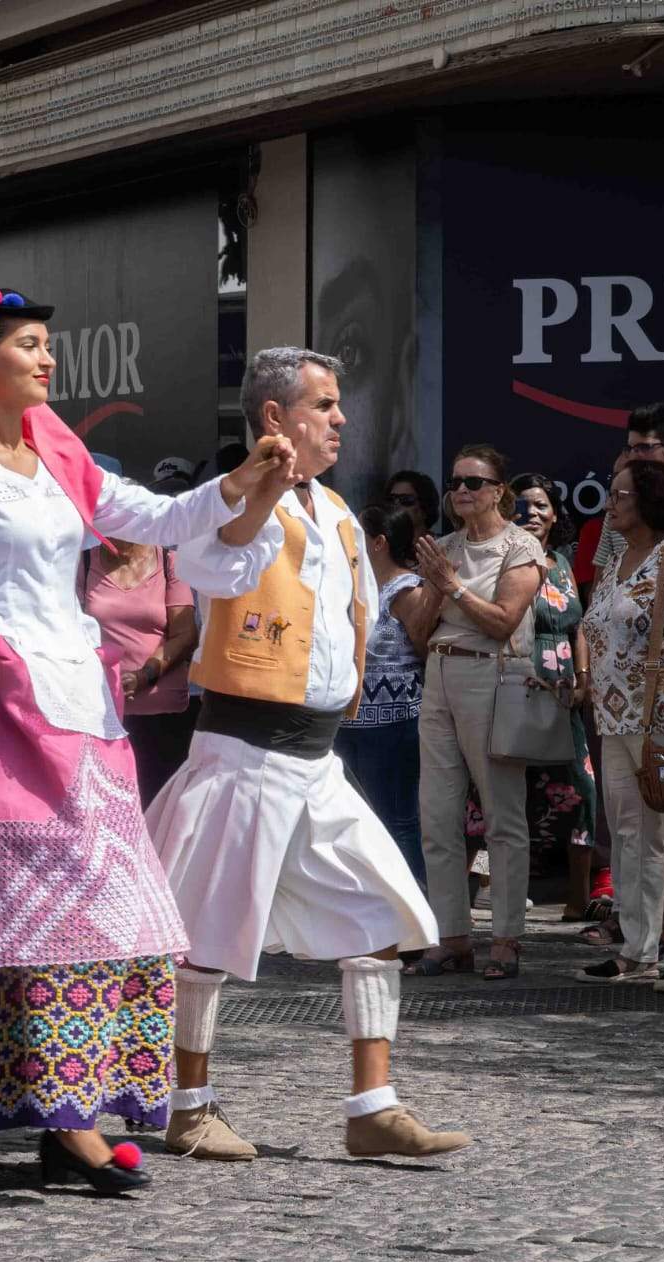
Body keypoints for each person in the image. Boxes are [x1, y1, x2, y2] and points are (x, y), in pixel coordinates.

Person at [0, 291, 300, 1192]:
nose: (49, 360)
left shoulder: (60, 456)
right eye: (31, 345)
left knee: (101, 905)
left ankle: (72, 1114)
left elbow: (153, 520)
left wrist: (242, 482)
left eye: (50, 346)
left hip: (79, 713)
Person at [148, 346, 462, 1164]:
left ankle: (373, 1105)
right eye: (324, 404)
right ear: (275, 418)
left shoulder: (339, 515)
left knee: (384, 914)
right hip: (245, 752)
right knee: (205, 937)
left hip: (318, 759)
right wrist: (258, 485)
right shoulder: (229, 504)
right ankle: (190, 1105)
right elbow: (213, 562)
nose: (341, 418)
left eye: (339, 403)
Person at [402, 445, 542, 981]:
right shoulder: (441, 546)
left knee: (502, 816)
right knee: (437, 815)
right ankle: (451, 939)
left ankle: (506, 939)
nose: (462, 490)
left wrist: (451, 585)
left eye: (475, 482)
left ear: (499, 490)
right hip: (438, 673)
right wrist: (437, 590)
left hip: (491, 674)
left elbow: (505, 621)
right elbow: (417, 633)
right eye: (456, 481)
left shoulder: (519, 546)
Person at [577, 458, 664, 1006]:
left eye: (620, 495)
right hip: (614, 718)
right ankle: (637, 948)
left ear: (648, 499)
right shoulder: (613, 564)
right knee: (631, 836)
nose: (611, 503)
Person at [504, 474, 599, 917]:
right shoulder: (502, 556)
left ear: (556, 514)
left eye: (542, 506)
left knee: (582, 792)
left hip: (564, 698)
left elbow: (577, 625)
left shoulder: (562, 561)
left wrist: (582, 679)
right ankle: (479, 902)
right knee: (500, 797)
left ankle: (578, 903)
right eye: (524, 506)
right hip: (516, 689)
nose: (534, 514)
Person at [333, 504, 428, 889]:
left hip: (394, 721)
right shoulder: (355, 588)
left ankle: (414, 909)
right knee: (354, 818)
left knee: (396, 817)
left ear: (378, 543)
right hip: (348, 719)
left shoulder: (406, 590)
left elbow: (425, 649)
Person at [80, 528, 197, 803]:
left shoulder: (170, 562)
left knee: (157, 810)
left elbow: (185, 634)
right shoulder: (83, 563)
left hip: (163, 717)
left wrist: (144, 676)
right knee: (109, 808)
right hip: (101, 713)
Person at [579, 403, 664, 596]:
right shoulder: (618, 508)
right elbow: (599, 586)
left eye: (645, 447)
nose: (636, 456)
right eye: (632, 448)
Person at [385, 470, 441, 534]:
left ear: (426, 507)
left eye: (406, 499)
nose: (396, 505)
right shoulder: (380, 542)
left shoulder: (441, 543)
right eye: (391, 499)